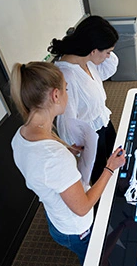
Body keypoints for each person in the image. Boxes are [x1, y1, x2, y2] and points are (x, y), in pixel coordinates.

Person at [10, 61, 126, 266]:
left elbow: (42, 167)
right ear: (55, 95)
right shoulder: (54, 157)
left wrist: (67, 150)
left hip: (55, 218)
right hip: (76, 228)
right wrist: (109, 168)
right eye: (66, 89)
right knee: (95, 260)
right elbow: (82, 208)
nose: (66, 94)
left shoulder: (21, 135)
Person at [48, 15, 119, 184]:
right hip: (90, 137)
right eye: (107, 52)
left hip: (103, 123)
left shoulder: (88, 60)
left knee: (115, 161)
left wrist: (104, 44)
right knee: (100, 177)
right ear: (94, 50)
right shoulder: (68, 77)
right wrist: (76, 150)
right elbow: (67, 121)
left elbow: (109, 68)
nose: (109, 56)